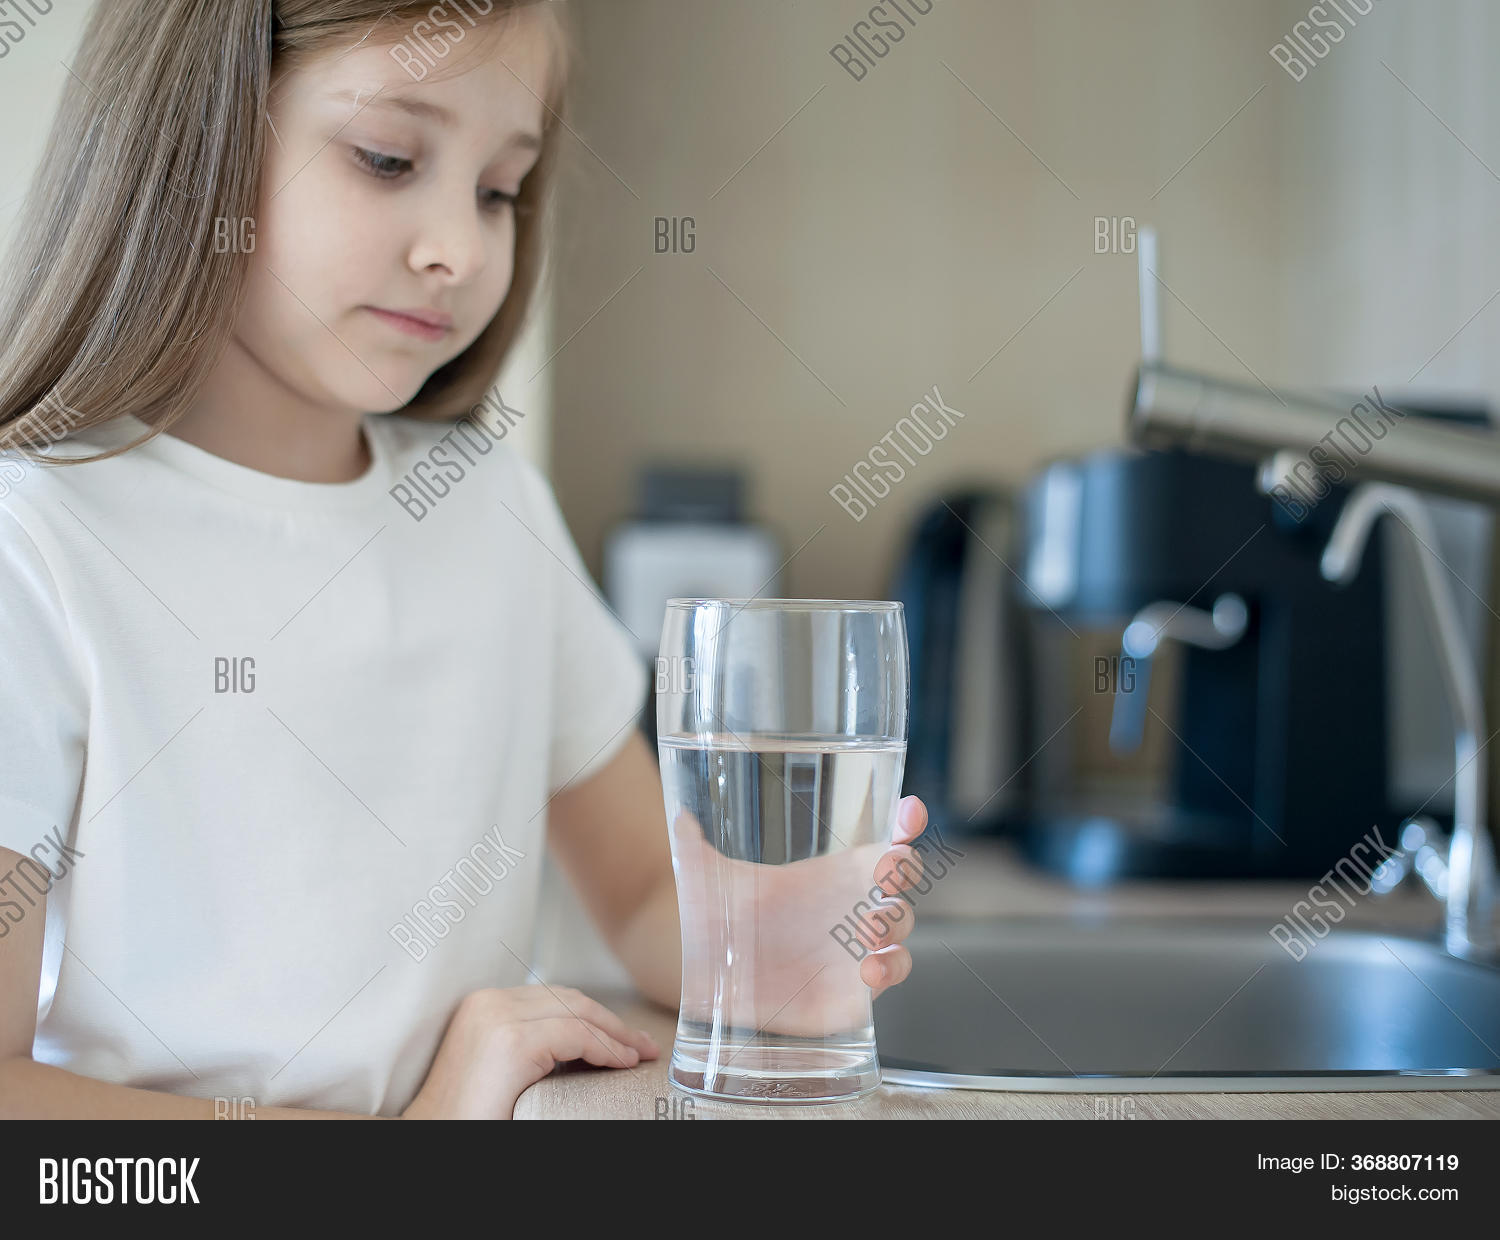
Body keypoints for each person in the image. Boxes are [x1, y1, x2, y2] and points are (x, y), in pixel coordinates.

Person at [0, 0, 929, 1119]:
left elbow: (640, 887)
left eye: (500, 190)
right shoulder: (37, 542)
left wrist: (770, 938)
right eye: (387, 159)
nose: (459, 247)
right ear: (189, 139)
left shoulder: (492, 513)